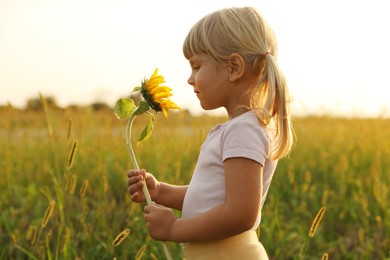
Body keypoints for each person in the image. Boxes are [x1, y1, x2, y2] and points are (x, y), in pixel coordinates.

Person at [127, 6, 294, 259]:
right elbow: (210, 199)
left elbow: (240, 214)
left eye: (196, 66)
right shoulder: (237, 129)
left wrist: (174, 228)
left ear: (234, 68)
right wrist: (161, 191)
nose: (190, 79)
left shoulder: (244, 130)